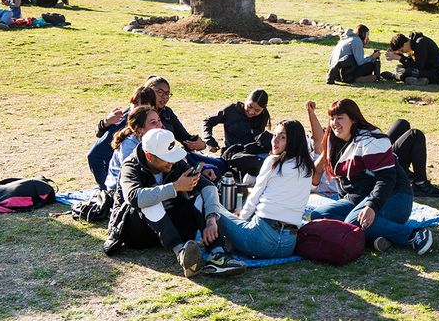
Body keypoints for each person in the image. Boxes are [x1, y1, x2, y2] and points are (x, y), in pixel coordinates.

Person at [103, 128, 247, 277]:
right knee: (150, 201)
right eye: (167, 158)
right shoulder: (130, 166)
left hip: (172, 226)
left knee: (200, 196)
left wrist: (211, 219)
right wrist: (176, 187)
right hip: (139, 233)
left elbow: (208, 186)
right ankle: (181, 253)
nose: (172, 161)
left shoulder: (175, 162)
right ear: (149, 156)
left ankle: (218, 255)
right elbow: (134, 197)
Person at [308, 99, 435, 254]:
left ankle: (413, 235)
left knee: (353, 221)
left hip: (394, 196)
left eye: (340, 118)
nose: (335, 123)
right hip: (358, 198)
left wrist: (372, 205)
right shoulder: (333, 141)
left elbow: (386, 178)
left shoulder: (371, 140)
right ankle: (377, 236)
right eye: (332, 118)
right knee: (319, 215)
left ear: (353, 119)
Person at [217, 120, 317, 258]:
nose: (275, 141)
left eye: (282, 137)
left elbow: (254, 197)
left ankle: (219, 247)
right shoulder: (307, 167)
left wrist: (241, 219)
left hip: (259, 241)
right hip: (288, 246)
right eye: (274, 135)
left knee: (215, 209)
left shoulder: (273, 162)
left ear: (294, 140)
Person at [88, 86, 159, 189]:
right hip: (122, 185)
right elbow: (94, 154)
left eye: (143, 104)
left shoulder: (156, 120)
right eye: (135, 103)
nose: (137, 108)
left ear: (152, 107)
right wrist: (105, 187)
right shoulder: (123, 123)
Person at [202, 89, 272, 180]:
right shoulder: (231, 110)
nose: (251, 112)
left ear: (263, 109)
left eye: (257, 110)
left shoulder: (263, 116)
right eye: (249, 106)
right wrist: (209, 140)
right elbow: (208, 121)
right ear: (246, 100)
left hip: (252, 152)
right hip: (233, 154)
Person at [104, 105, 164, 192]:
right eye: (153, 122)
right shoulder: (129, 146)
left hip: (146, 184)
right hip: (119, 189)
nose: (159, 125)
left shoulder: (158, 138)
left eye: (159, 120)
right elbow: (132, 175)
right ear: (140, 130)